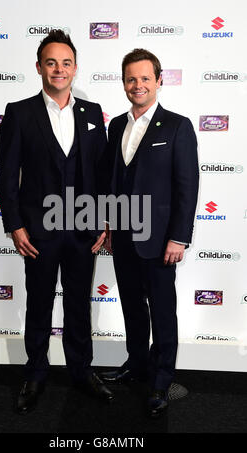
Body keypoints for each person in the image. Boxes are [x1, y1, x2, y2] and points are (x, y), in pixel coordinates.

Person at [0, 29, 113, 414]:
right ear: (39, 67)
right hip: (38, 232)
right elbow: (7, 172)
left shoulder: (93, 112)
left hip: (83, 230)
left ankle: (81, 371)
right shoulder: (19, 112)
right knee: (39, 303)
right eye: (51, 62)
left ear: (75, 69)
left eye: (66, 63)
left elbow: (102, 171)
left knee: (79, 304)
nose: (59, 70)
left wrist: (106, 220)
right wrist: (15, 225)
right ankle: (35, 373)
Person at [99, 48, 199, 418]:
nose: (137, 85)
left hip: (160, 241)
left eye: (144, 78)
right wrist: (108, 223)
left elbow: (187, 187)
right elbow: (112, 180)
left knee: (162, 310)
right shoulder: (116, 126)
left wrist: (179, 237)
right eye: (131, 78)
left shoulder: (177, 126)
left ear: (159, 80)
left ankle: (161, 379)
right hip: (123, 236)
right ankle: (136, 364)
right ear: (123, 83)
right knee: (132, 307)